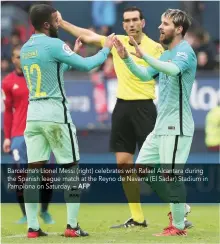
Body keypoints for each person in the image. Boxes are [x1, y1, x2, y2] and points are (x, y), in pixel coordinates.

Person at [57, 6, 192, 229]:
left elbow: (167, 71)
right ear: (123, 24)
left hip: (145, 107)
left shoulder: (156, 47)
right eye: (127, 20)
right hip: (122, 106)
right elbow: (89, 36)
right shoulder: (117, 41)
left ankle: (177, 209)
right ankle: (137, 217)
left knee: (155, 167)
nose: (131, 24)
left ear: (143, 22)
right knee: (123, 163)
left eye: (135, 20)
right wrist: (62, 23)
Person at [20, 4, 114, 238]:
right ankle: (72, 227)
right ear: (46, 24)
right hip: (55, 114)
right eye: (56, 20)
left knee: (33, 172)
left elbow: (52, 71)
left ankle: (32, 227)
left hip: (33, 116)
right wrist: (106, 49)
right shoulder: (53, 44)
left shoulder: (25, 49)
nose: (58, 23)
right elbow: (88, 65)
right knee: (71, 170)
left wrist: (71, 51)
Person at [113, 9, 197, 236]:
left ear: (178, 29)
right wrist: (126, 58)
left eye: (166, 23)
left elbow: (172, 70)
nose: (160, 27)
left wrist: (145, 55)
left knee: (172, 175)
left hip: (177, 125)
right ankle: (180, 207)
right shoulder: (166, 54)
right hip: (162, 125)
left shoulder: (184, 52)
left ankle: (178, 226)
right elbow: (144, 75)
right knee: (141, 168)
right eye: (160, 22)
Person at [2, 45, 55, 225]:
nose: (21, 59)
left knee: (47, 175)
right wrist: (7, 137)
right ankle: (25, 214)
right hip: (18, 135)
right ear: (13, 59)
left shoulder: (39, 76)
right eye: (17, 56)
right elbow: (8, 111)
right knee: (21, 177)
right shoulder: (8, 82)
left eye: (23, 56)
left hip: (42, 132)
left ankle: (45, 211)